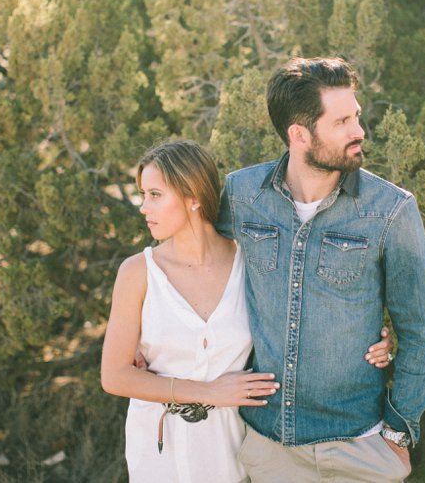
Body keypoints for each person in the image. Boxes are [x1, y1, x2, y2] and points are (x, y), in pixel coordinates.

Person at [100, 140, 394, 483]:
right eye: (143, 194)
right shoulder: (137, 272)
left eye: (155, 195)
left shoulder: (252, 263)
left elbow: (303, 322)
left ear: (193, 197)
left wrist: (371, 342)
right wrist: (208, 392)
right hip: (157, 452)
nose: (143, 207)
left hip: (232, 451)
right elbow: (115, 376)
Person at [217, 57, 425, 482]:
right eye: (341, 122)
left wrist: (399, 434)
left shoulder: (391, 210)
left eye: (355, 115)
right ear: (299, 135)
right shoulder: (242, 194)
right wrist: (151, 334)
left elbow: (418, 333)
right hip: (269, 447)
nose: (359, 131)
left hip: (359, 446)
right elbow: (193, 263)